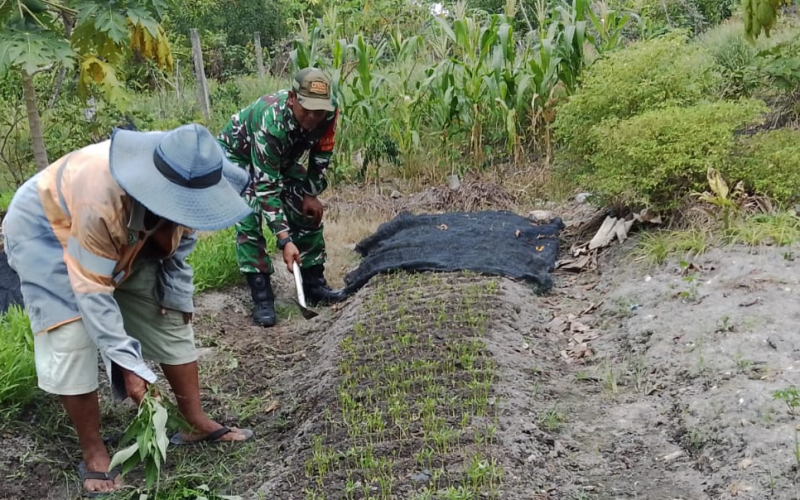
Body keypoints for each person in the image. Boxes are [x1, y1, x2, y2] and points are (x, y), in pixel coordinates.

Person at [1, 123, 255, 497]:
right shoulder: (101, 198)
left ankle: (195, 420)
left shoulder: (193, 182)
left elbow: (177, 256)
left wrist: (176, 301)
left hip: (122, 230)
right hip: (47, 229)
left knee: (166, 315)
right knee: (70, 332)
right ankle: (94, 452)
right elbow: (92, 291)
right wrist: (128, 366)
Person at [217, 67, 346, 327]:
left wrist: (310, 193)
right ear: (291, 98)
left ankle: (313, 282)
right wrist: (285, 240)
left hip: (280, 158)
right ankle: (262, 294)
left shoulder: (329, 114)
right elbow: (266, 188)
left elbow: (321, 157)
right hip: (237, 158)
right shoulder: (271, 123)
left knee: (306, 209)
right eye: (306, 109)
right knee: (249, 212)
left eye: (318, 111)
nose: (312, 117)